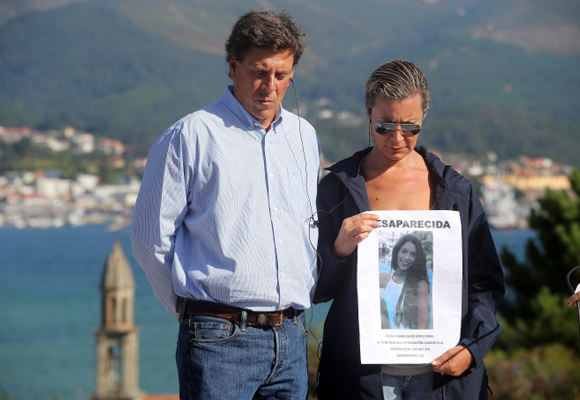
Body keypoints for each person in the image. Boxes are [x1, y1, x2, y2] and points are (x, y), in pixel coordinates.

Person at [131, 10, 320, 400]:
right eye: (260, 72)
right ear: (234, 67)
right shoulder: (190, 136)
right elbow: (150, 241)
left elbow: (306, 226)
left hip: (291, 337)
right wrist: (188, 307)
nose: (271, 86)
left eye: (282, 74)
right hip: (218, 340)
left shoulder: (305, 135)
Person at [313, 60, 505, 400]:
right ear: (368, 115)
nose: (397, 138)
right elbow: (314, 289)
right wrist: (339, 250)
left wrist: (472, 348)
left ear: (423, 118)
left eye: (410, 127)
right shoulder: (337, 188)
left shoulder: (454, 190)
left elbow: (485, 283)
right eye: (384, 126)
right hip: (360, 379)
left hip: (441, 381)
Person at [380, 234, 430, 330]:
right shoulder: (383, 278)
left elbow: (423, 326)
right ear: (397, 251)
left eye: (413, 254)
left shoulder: (420, 284)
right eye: (404, 251)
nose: (407, 257)